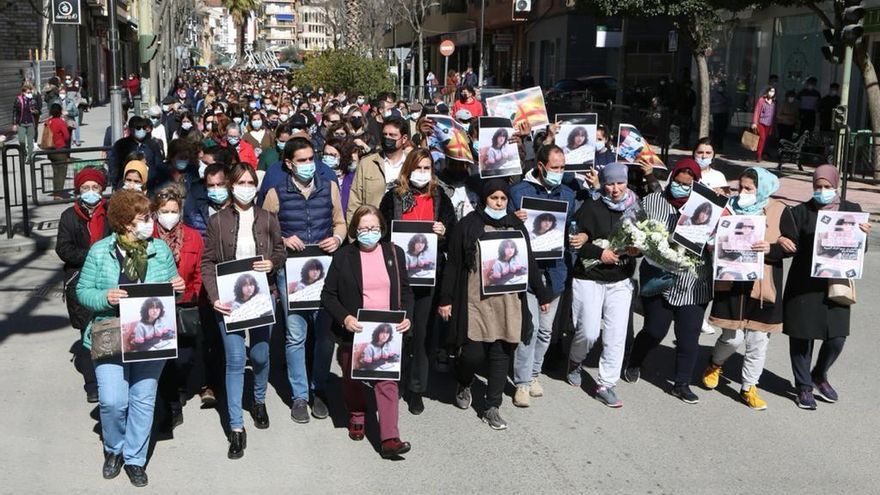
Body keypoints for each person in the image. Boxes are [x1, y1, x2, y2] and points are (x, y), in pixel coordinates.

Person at [76, 189, 184, 487]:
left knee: (143, 399)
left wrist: (178, 286)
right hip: (110, 332)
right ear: (125, 222)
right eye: (145, 217)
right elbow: (82, 292)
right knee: (112, 401)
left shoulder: (159, 250)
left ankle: (134, 458)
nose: (152, 222)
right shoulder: (101, 251)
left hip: (151, 337)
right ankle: (114, 449)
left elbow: (174, 290)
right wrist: (105, 297)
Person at [438, 180, 552, 429]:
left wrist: (542, 294)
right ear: (484, 199)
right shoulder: (468, 225)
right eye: (494, 198)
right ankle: (464, 381)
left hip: (508, 301)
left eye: (502, 199)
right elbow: (454, 264)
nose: (499, 203)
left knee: (502, 353)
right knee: (473, 355)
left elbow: (529, 261)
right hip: (475, 301)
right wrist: (446, 299)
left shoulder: (516, 226)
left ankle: (492, 406)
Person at [200, 163, 285, 459]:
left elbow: (281, 251)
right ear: (231, 186)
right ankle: (236, 427)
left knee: (260, 355)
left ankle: (258, 399)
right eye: (241, 182)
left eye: (251, 182)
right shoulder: (217, 221)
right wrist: (213, 297)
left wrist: (272, 263)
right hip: (229, 302)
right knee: (236, 360)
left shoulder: (268, 218)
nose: (246, 186)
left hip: (262, 298)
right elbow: (207, 263)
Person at [261, 137, 346, 423]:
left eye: (312, 159)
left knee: (324, 334)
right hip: (292, 272)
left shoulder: (329, 187)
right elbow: (264, 231)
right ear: (288, 163)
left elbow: (340, 222)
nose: (309, 165)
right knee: (296, 335)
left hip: (324, 270)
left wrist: (337, 238)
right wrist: (284, 240)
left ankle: (318, 387)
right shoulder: (275, 192)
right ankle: (299, 395)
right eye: (302, 160)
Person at [320, 205, 414, 459]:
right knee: (352, 379)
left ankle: (389, 437)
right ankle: (357, 414)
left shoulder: (394, 253)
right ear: (354, 231)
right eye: (363, 228)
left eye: (373, 228)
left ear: (381, 228)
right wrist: (345, 318)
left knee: (387, 382)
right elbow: (328, 295)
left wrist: (407, 317)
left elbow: (406, 291)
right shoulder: (343, 256)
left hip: (387, 331)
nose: (369, 232)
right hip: (355, 331)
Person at [701, 167, 796, 410]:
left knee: (757, 341)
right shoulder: (728, 206)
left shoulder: (778, 210)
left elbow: (792, 244)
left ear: (761, 189)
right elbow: (708, 232)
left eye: (749, 189)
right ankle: (715, 363)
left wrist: (771, 248)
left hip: (762, 287)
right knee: (732, 338)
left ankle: (748, 387)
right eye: (740, 187)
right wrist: (713, 244)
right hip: (732, 284)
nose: (742, 192)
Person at [779, 165, 871, 409]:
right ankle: (804, 386)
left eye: (827, 187)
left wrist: (863, 235)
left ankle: (820, 374)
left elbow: (859, 250)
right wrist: (782, 241)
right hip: (803, 284)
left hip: (835, 284)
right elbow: (787, 247)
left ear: (836, 185)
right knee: (802, 337)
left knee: (837, 338)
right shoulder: (800, 212)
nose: (822, 191)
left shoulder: (851, 211)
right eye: (818, 187)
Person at [625, 159, 713, 404]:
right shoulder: (653, 202)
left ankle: (681, 384)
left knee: (688, 336)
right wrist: (635, 245)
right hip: (659, 277)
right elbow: (633, 227)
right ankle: (634, 360)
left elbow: (720, 238)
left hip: (693, 281)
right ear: (671, 178)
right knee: (654, 330)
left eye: (688, 184)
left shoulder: (707, 207)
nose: (681, 187)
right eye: (678, 182)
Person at [378, 149, 455, 414]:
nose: (423, 173)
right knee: (400, 333)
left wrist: (444, 230)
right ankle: (391, 381)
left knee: (422, 335)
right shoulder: (393, 197)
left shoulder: (439, 198)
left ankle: (416, 388)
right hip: (398, 277)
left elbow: (452, 231)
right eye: (418, 167)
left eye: (427, 168)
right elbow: (380, 231)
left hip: (428, 279)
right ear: (408, 169)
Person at [565, 162, 638, 408]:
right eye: (609, 183)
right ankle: (575, 360)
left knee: (616, 334)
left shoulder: (635, 209)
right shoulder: (590, 207)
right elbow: (574, 241)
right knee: (589, 332)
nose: (615, 189)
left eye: (620, 183)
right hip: (590, 276)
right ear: (602, 182)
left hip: (620, 280)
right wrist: (599, 252)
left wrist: (636, 250)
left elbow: (645, 239)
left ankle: (606, 384)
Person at [508, 145, 575, 406]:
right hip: (527, 270)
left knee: (546, 331)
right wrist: (514, 219)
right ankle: (522, 382)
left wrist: (579, 236)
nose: (559, 172)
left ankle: (535, 373)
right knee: (531, 327)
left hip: (555, 271)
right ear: (540, 166)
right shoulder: (519, 193)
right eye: (555, 167)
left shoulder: (568, 195)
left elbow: (571, 228)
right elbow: (502, 227)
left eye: (562, 167)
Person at [57, 168, 111, 404]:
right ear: (78, 191)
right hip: (79, 279)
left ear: (102, 190)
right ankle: (92, 384)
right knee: (88, 332)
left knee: (108, 330)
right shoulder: (69, 216)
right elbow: (63, 248)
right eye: (85, 188)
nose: (90, 192)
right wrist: (93, 255)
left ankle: (108, 379)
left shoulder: (111, 213)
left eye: (95, 187)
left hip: (108, 278)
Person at [152, 186, 204, 430]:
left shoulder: (193, 236)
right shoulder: (148, 235)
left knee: (183, 359)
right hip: (156, 308)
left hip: (185, 306)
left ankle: (180, 386)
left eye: (173, 211)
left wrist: (191, 292)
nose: (169, 215)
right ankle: (169, 405)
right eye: (164, 211)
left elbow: (199, 272)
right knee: (163, 361)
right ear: (156, 212)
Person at [346, 116, 409, 219]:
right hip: (373, 227)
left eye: (392, 135)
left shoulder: (412, 164)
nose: (387, 138)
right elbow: (355, 201)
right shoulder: (367, 164)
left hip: (401, 227)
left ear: (404, 139)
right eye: (385, 134)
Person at [107, 116, 163, 188]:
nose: (142, 130)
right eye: (138, 128)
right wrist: (117, 185)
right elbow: (114, 166)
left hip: (149, 187)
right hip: (127, 186)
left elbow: (159, 165)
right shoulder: (121, 145)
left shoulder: (152, 144)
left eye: (144, 127)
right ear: (131, 129)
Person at [45, 103, 71, 199]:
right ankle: (58, 194)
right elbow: (67, 136)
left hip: (50, 150)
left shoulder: (48, 121)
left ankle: (55, 191)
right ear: (60, 112)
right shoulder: (60, 122)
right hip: (60, 150)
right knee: (61, 172)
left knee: (55, 172)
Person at [12, 82, 42, 158]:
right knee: (21, 141)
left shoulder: (32, 100)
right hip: (21, 123)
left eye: (30, 92)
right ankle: (24, 153)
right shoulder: (18, 99)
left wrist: (35, 111)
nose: (30, 94)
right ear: (23, 92)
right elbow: (15, 111)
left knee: (30, 142)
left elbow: (38, 109)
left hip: (31, 123)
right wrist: (14, 124)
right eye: (28, 92)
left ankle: (29, 157)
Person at [751, 86, 776, 162]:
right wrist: (754, 122)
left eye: (773, 92)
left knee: (765, 140)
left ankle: (760, 153)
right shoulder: (761, 100)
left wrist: (772, 126)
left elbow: (774, 114)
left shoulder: (774, 102)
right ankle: (759, 155)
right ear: (767, 92)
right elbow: (757, 111)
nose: (771, 93)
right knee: (762, 138)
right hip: (761, 122)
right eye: (770, 91)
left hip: (769, 123)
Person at [710, 82, 731, 152]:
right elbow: (711, 103)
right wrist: (718, 104)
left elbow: (730, 103)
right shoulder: (714, 94)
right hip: (716, 113)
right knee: (717, 129)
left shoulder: (727, 94)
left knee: (722, 130)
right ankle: (716, 144)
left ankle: (720, 144)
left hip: (724, 113)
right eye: (720, 86)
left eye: (723, 86)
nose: (721, 88)